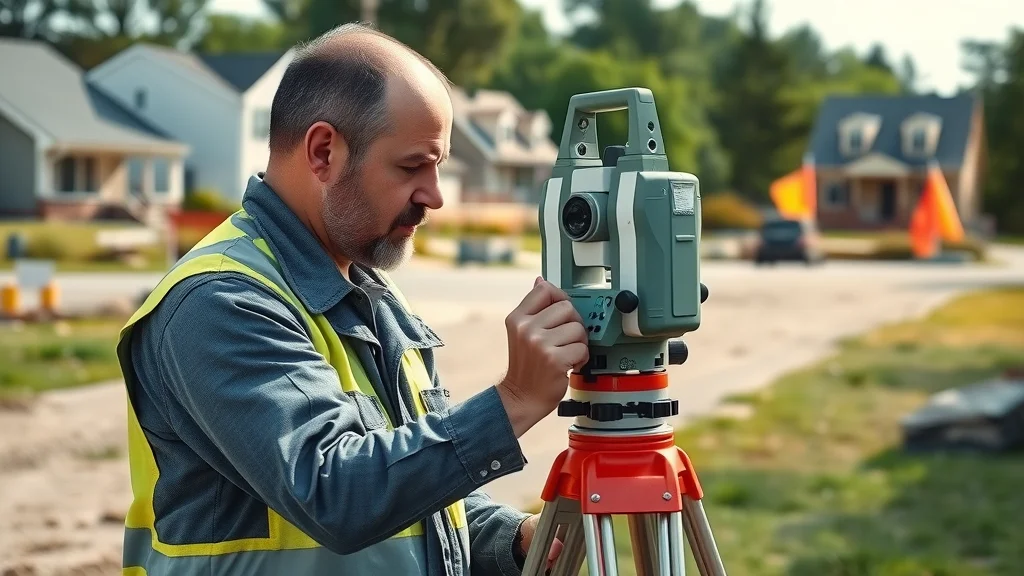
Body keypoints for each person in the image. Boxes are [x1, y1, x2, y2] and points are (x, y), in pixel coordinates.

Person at [114, 21, 591, 576]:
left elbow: (413, 485)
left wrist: (507, 539)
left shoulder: (369, 296)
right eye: (413, 165)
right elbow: (335, 493)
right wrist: (513, 401)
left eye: (438, 166)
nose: (434, 195)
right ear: (323, 152)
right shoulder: (220, 303)